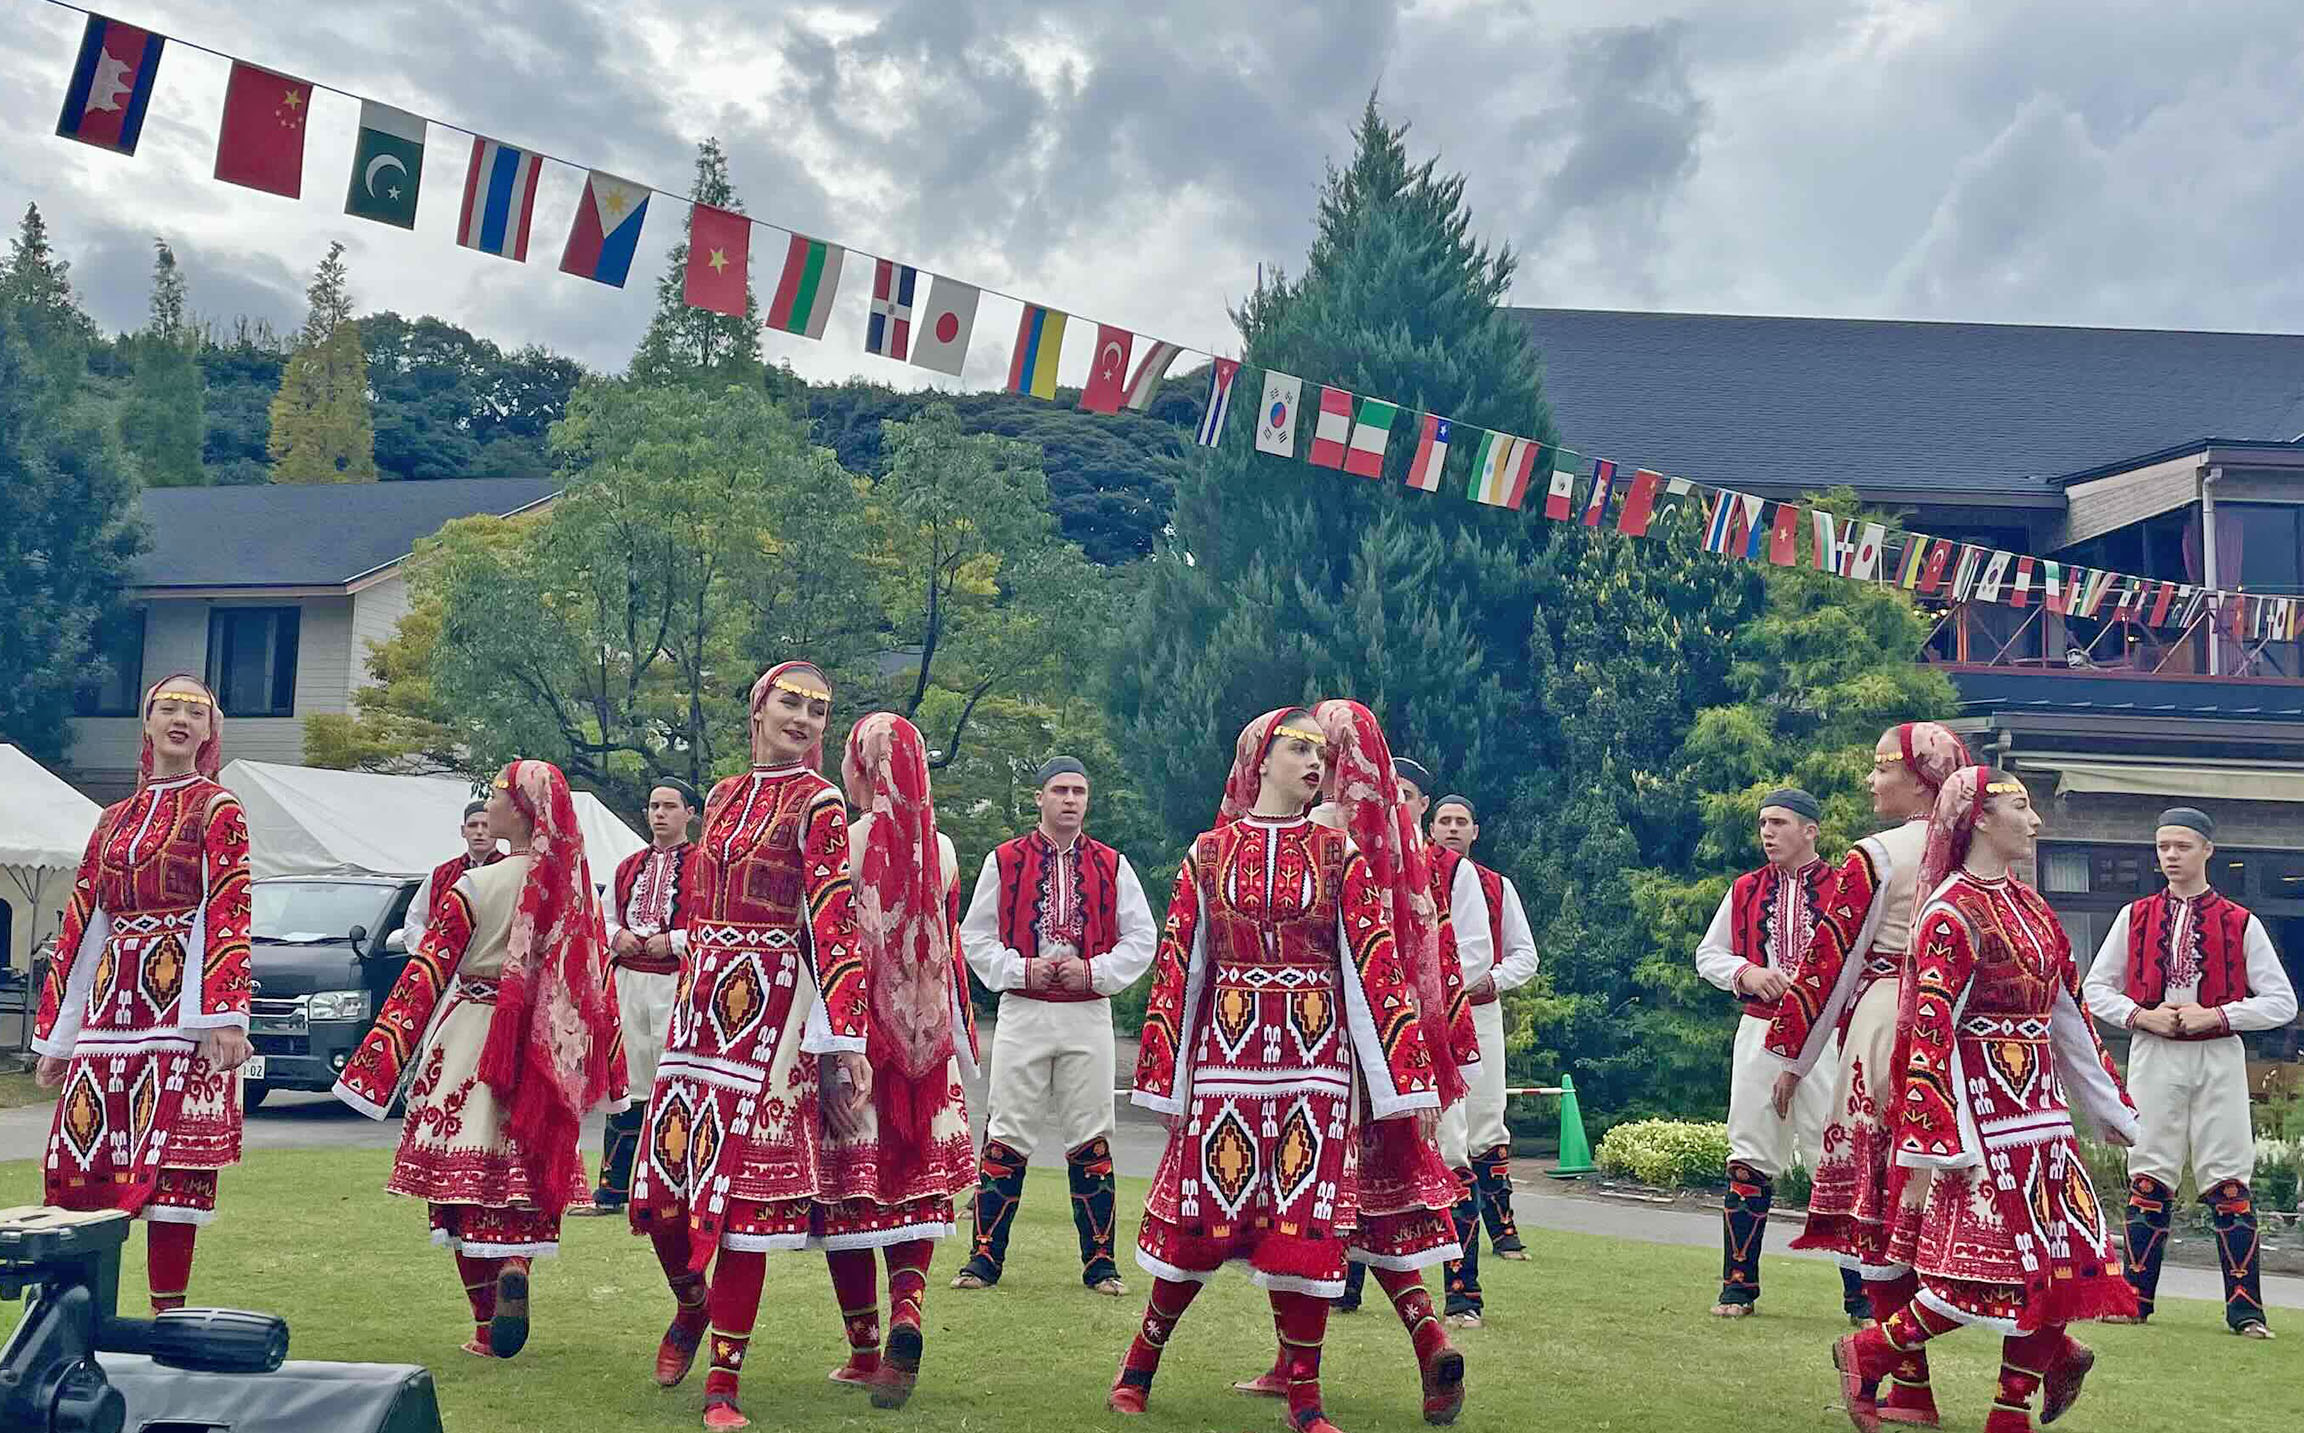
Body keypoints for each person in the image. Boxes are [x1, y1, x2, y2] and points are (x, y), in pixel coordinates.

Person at [1108, 708, 1442, 1433]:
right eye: (1298, 748)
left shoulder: (1337, 855)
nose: (1314, 761)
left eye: (1320, 752)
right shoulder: (1206, 853)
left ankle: (1305, 1399)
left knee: (1306, 1230)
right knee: (1198, 1224)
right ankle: (1138, 1364)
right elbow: (1180, 967)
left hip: (1316, 1068)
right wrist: (1166, 1080)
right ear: (1260, 759)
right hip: (1226, 1065)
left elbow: (1373, 967)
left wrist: (1403, 1083)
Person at [1833, 768, 2138, 1433]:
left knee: (2069, 1258)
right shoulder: (1949, 911)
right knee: (1980, 1273)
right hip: (1979, 1112)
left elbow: (2068, 1014)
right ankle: (1870, 1348)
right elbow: (1931, 1033)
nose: (2036, 822)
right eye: (2022, 807)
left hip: (2042, 1114)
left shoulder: (2033, 908)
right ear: (1978, 818)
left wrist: (2107, 1105)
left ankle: (2009, 1411)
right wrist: (1942, 1135)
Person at [625, 661, 874, 1433]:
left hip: (771, 1010)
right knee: (662, 1189)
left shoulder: (821, 801)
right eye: (792, 703)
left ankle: (724, 1381)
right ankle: (691, 1305)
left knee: (743, 1207)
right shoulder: (725, 794)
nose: (804, 718)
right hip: (700, 1007)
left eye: (820, 710)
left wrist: (846, 1036)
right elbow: (697, 904)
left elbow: (833, 919)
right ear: (759, 707)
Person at [333, 759, 625, 1359]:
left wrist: (373, 1067)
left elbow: (426, 972)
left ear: (520, 812)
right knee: (525, 1171)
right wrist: (611, 1068)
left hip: (471, 1034)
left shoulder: (476, 884)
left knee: (458, 1184)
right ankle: (517, 1259)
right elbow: (598, 984)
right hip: (545, 1047)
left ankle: (487, 1325)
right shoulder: (573, 892)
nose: (486, 806)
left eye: (495, 796)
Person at [1235, 701, 1472, 1424]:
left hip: (1320, 1046)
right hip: (1392, 1054)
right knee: (1381, 1216)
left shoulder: (1325, 832)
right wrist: (1423, 1064)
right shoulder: (1397, 835)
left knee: (1295, 1209)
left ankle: (1296, 1367)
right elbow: (1428, 952)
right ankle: (1430, 1340)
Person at [1765, 721, 1968, 1427]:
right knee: (1950, 1205)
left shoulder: (1876, 855)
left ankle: (1905, 1378)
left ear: (1917, 778)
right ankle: (1917, 1381)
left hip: (1889, 1025)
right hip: (1966, 1031)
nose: (1870, 782)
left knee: (1884, 1206)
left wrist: (1793, 1056)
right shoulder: (1986, 849)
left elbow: (1831, 963)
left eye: (1881, 770)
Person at [32, 674, 253, 1313]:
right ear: (147, 724)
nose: (181, 719)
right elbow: (83, 921)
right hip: (108, 1010)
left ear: (210, 732)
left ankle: (168, 1315)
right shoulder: (111, 821)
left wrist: (223, 1015)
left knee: (176, 1170)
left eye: (196, 711)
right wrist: (59, 1036)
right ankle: (74, 1312)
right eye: (168, 708)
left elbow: (230, 906)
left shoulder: (220, 809)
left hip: (184, 1006)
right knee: (87, 1156)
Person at [2082, 807, 2296, 1340]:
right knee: (2149, 1170)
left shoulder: (2240, 921)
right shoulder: (2133, 916)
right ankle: (2134, 1299)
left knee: (2228, 1176)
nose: (2171, 856)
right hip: (2155, 1050)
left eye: (2181, 846)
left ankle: (2246, 1310)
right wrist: (2140, 1014)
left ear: (2207, 851)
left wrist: (2220, 1014)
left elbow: (2282, 1002)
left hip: (2219, 1053)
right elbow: (2094, 988)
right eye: (2163, 847)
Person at [820, 712, 979, 1407]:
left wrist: (829, 1048)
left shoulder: (843, 844)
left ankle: (863, 1348)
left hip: (859, 1045)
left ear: (861, 767)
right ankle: (908, 1311)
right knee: (916, 1191)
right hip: (929, 1050)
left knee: (850, 1196)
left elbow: (822, 946)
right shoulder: (942, 848)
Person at [954, 755, 1157, 1296]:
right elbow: (973, 936)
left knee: (1092, 1132)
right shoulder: (1005, 860)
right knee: (1007, 1131)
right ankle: (982, 1259)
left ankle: (1100, 1264)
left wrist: (1095, 971)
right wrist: (1022, 968)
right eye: (1060, 790)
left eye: (1079, 791)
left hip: (1088, 1011)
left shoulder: (1113, 865)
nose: (1070, 800)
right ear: (1040, 797)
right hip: (1023, 1008)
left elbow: (1142, 938)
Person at [1693, 788, 1869, 1322]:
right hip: (1760, 1032)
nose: (1767, 833)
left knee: (1838, 1158)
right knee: (1748, 1153)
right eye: (1763, 824)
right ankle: (1738, 1288)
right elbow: (1709, 954)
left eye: (1779, 823)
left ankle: (1861, 1296)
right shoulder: (1746, 889)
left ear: (1810, 829)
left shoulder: (1845, 889)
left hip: (1830, 1039)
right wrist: (1746, 972)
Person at [1423, 792, 1540, 1329]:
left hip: (1478, 1012)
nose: (1451, 829)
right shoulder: (1407, 870)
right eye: (1443, 821)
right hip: (1419, 1016)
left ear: (1475, 831)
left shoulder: (1496, 886)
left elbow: (1523, 954)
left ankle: (1504, 1230)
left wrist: (1488, 979)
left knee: (1485, 1121)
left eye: (1460, 822)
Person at [576, 778, 701, 1216]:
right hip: (629, 982)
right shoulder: (627, 866)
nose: (659, 814)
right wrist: (619, 936)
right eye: (653, 806)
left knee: (678, 1083)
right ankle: (613, 1189)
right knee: (627, 1083)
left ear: (690, 813)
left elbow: (715, 924)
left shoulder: (704, 866)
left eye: (669, 806)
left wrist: (675, 941)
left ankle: (677, 1190)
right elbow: (603, 917)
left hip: (678, 984)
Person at [405, 800, 500, 951]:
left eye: (486, 825)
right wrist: (430, 952)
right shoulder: (441, 875)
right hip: (446, 969)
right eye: (473, 825)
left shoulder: (509, 871)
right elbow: (415, 920)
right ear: (463, 831)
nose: (479, 832)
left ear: (496, 829)